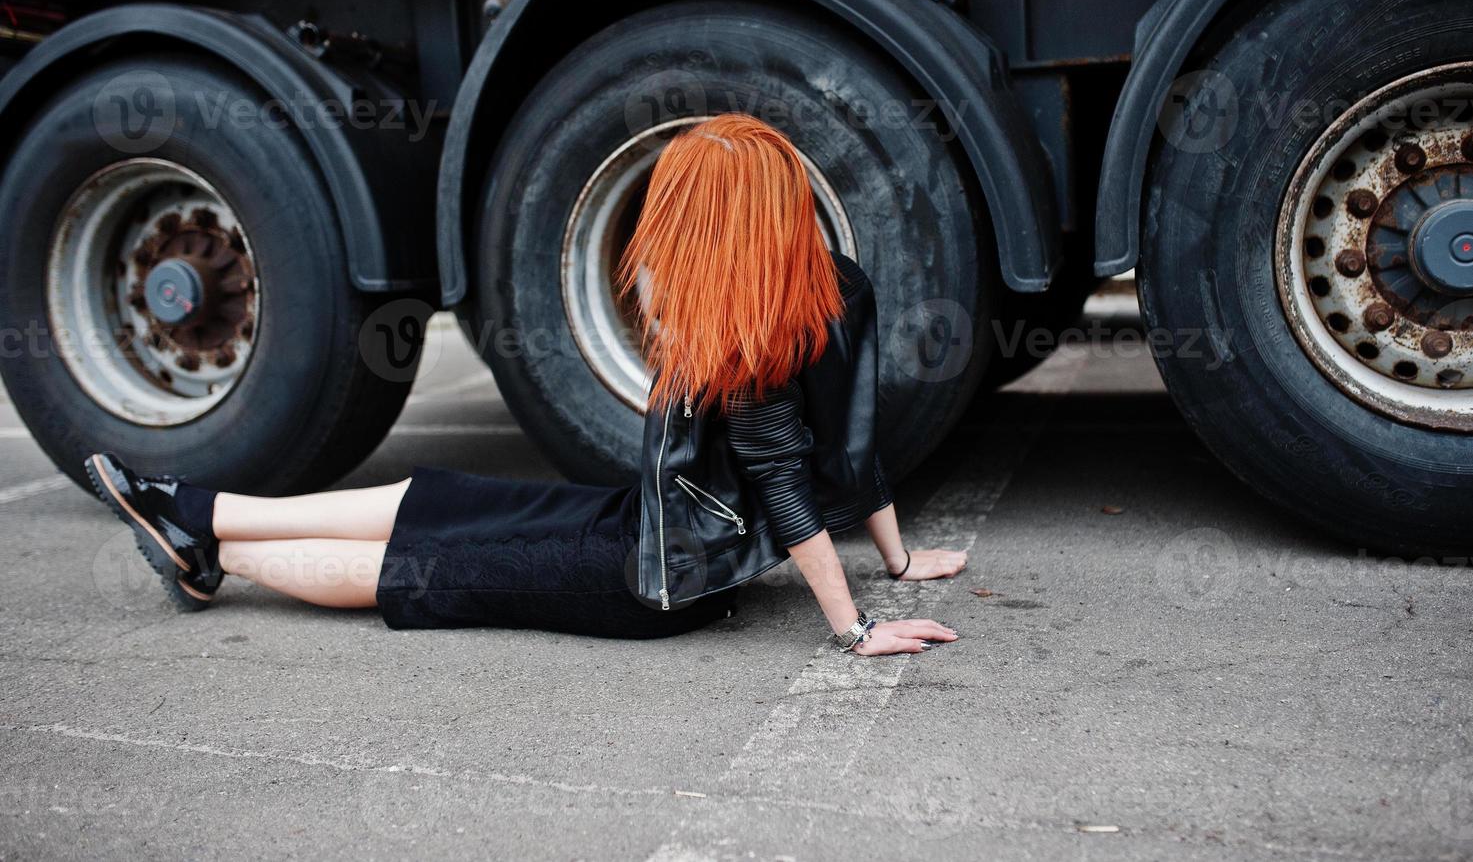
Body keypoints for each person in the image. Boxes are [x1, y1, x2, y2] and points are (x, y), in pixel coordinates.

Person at [84, 114, 966, 656]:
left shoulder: (753, 329)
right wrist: (895, 558)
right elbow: (852, 442)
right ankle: (198, 507)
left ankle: (213, 550)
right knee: (446, 497)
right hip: (650, 521)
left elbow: (789, 476)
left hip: (660, 582)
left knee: (426, 568)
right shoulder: (832, 279)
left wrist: (856, 629)